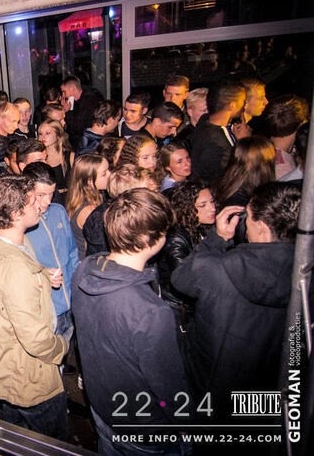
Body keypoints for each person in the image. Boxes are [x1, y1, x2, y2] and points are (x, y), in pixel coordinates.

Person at [73, 188, 190, 455]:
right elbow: (168, 386)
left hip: (102, 409)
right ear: (150, 240)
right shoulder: (150, 311)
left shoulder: (85, 269)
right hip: (145, 431)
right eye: (164, 232)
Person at [172, 182, 300, 422]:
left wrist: (217, 239)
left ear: (262, 227)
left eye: (248, 218)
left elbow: (181, 278)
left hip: (216, 392)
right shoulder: (304, 276)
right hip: (268, 394)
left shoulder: (218, 268)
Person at [0, 174, 69, 439]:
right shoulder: (16, 271)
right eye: (33, 201)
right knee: (53, 444)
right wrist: (61, 346)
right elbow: (36, 341)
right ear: (16, 213)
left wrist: (40, 276)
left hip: (5, 366)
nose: (41, 205)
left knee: (14, 439)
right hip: (28, 376)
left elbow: (1, 286)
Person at [22, 162, 79, 366]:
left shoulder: (58, 211)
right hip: (47, 311)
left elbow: (72, 252)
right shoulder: (21, 225)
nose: (47, 201)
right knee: (45, 366)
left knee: (62, 358)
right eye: (41, 195)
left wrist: (76, 289)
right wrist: (43, 275)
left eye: (51, 194)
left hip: (70, 303)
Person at [157, 180, 216, 333]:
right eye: (202, 205)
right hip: (180, 310)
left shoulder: (204, 228)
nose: (212, 208)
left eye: (212, 202)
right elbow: (187, 281)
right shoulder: (176, 239)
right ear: (187, 208)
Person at [189, 81, 246, 185]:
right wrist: (244, 143)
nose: (244, 105)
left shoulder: (205, 121)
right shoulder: (217, 146)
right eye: (243, 101)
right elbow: (235, 178)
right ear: (232, 105)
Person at [65, 154, 110, 259]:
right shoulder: (89, 211)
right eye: (104, 174)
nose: (110, 174)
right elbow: (99, 248)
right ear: (90, 181)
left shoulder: (87, 199)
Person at [37, 119, 74, 205]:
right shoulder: (38, 157)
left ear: (58, 135)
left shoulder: (69, 156)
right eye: (40, 134)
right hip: (47, 202)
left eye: (47, 133)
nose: (43, 137)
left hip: (69, 201)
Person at [61, 75, 103, 149]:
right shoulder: (75, 101)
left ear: (72, 89)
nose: (63, 95)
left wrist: (67, 111)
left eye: (64, 92)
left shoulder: (88, 101)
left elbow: (78, 127)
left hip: (88, 144)